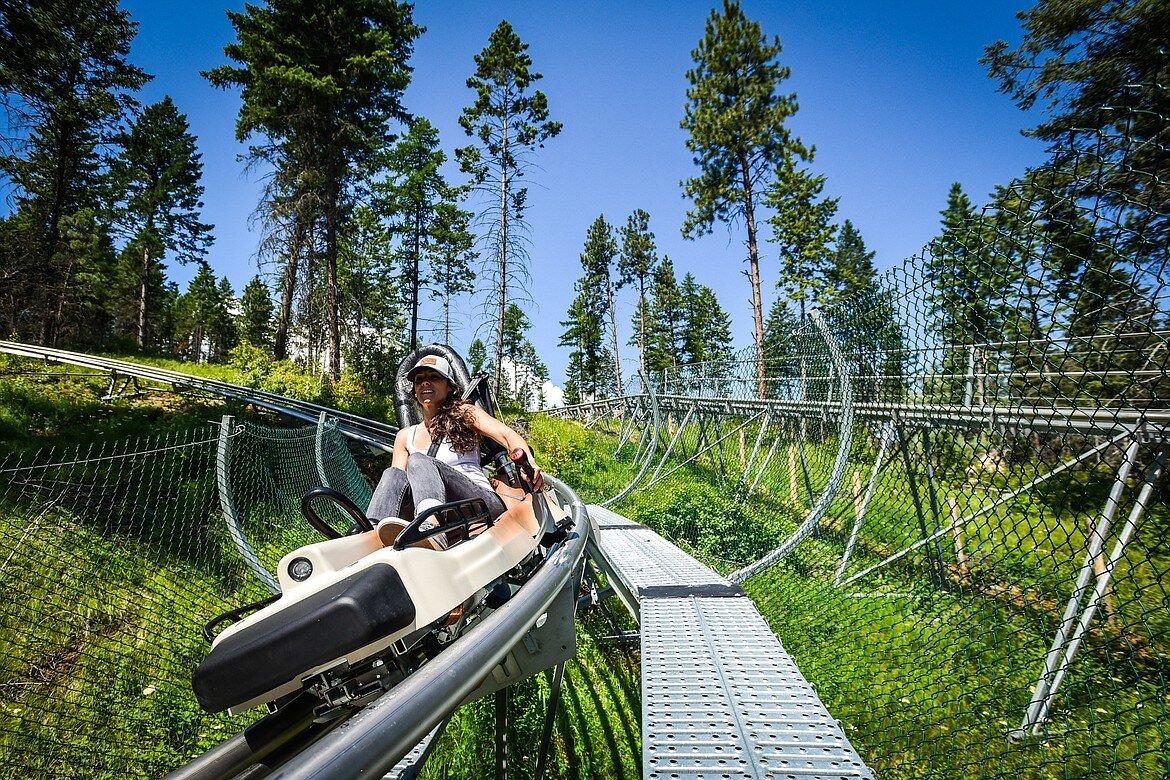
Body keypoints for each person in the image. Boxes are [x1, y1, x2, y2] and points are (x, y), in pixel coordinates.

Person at [366, 354, 544, 548]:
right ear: (414, 391)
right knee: (392, 474)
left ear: (449, 386)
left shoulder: (466, 414)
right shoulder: (405, 436)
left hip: (479, 504)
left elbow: (507, 435)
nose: (425, 383)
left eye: (433, 377)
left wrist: (529, 461)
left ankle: (431, 529)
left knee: (418, 460)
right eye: (419, 380)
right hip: (434, 509)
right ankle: (370, 535)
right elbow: (399, 485)